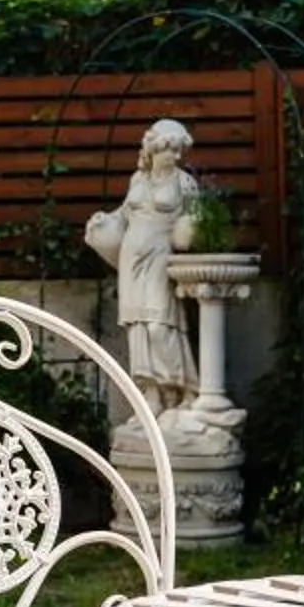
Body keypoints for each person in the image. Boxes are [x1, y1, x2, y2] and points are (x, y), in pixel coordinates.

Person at [85, 119, 199, 417]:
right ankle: (151, 395)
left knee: (161, 326)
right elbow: (122, 216)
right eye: (170, 150)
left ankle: (179, 390)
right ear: (154, 149)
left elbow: (196, 221)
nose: (176, 156)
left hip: (161, 257)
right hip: (131, 258)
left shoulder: (184, 182)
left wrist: (193, 230)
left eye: (178, 151)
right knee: (137, 327)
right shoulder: (138, 180)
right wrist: (102, 222)